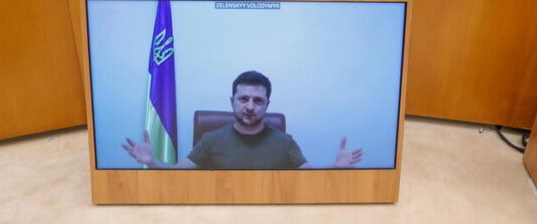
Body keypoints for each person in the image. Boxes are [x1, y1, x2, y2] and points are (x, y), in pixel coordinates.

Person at [122, 71, 363, 170]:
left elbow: (310, 179)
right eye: (243, 99)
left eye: (258, 101)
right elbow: (177, 173)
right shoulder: (211, 140)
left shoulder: (285, 142)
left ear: (268, 105)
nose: (249, 107)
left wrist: (336, 169)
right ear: (232, 102)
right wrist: (152, 161)